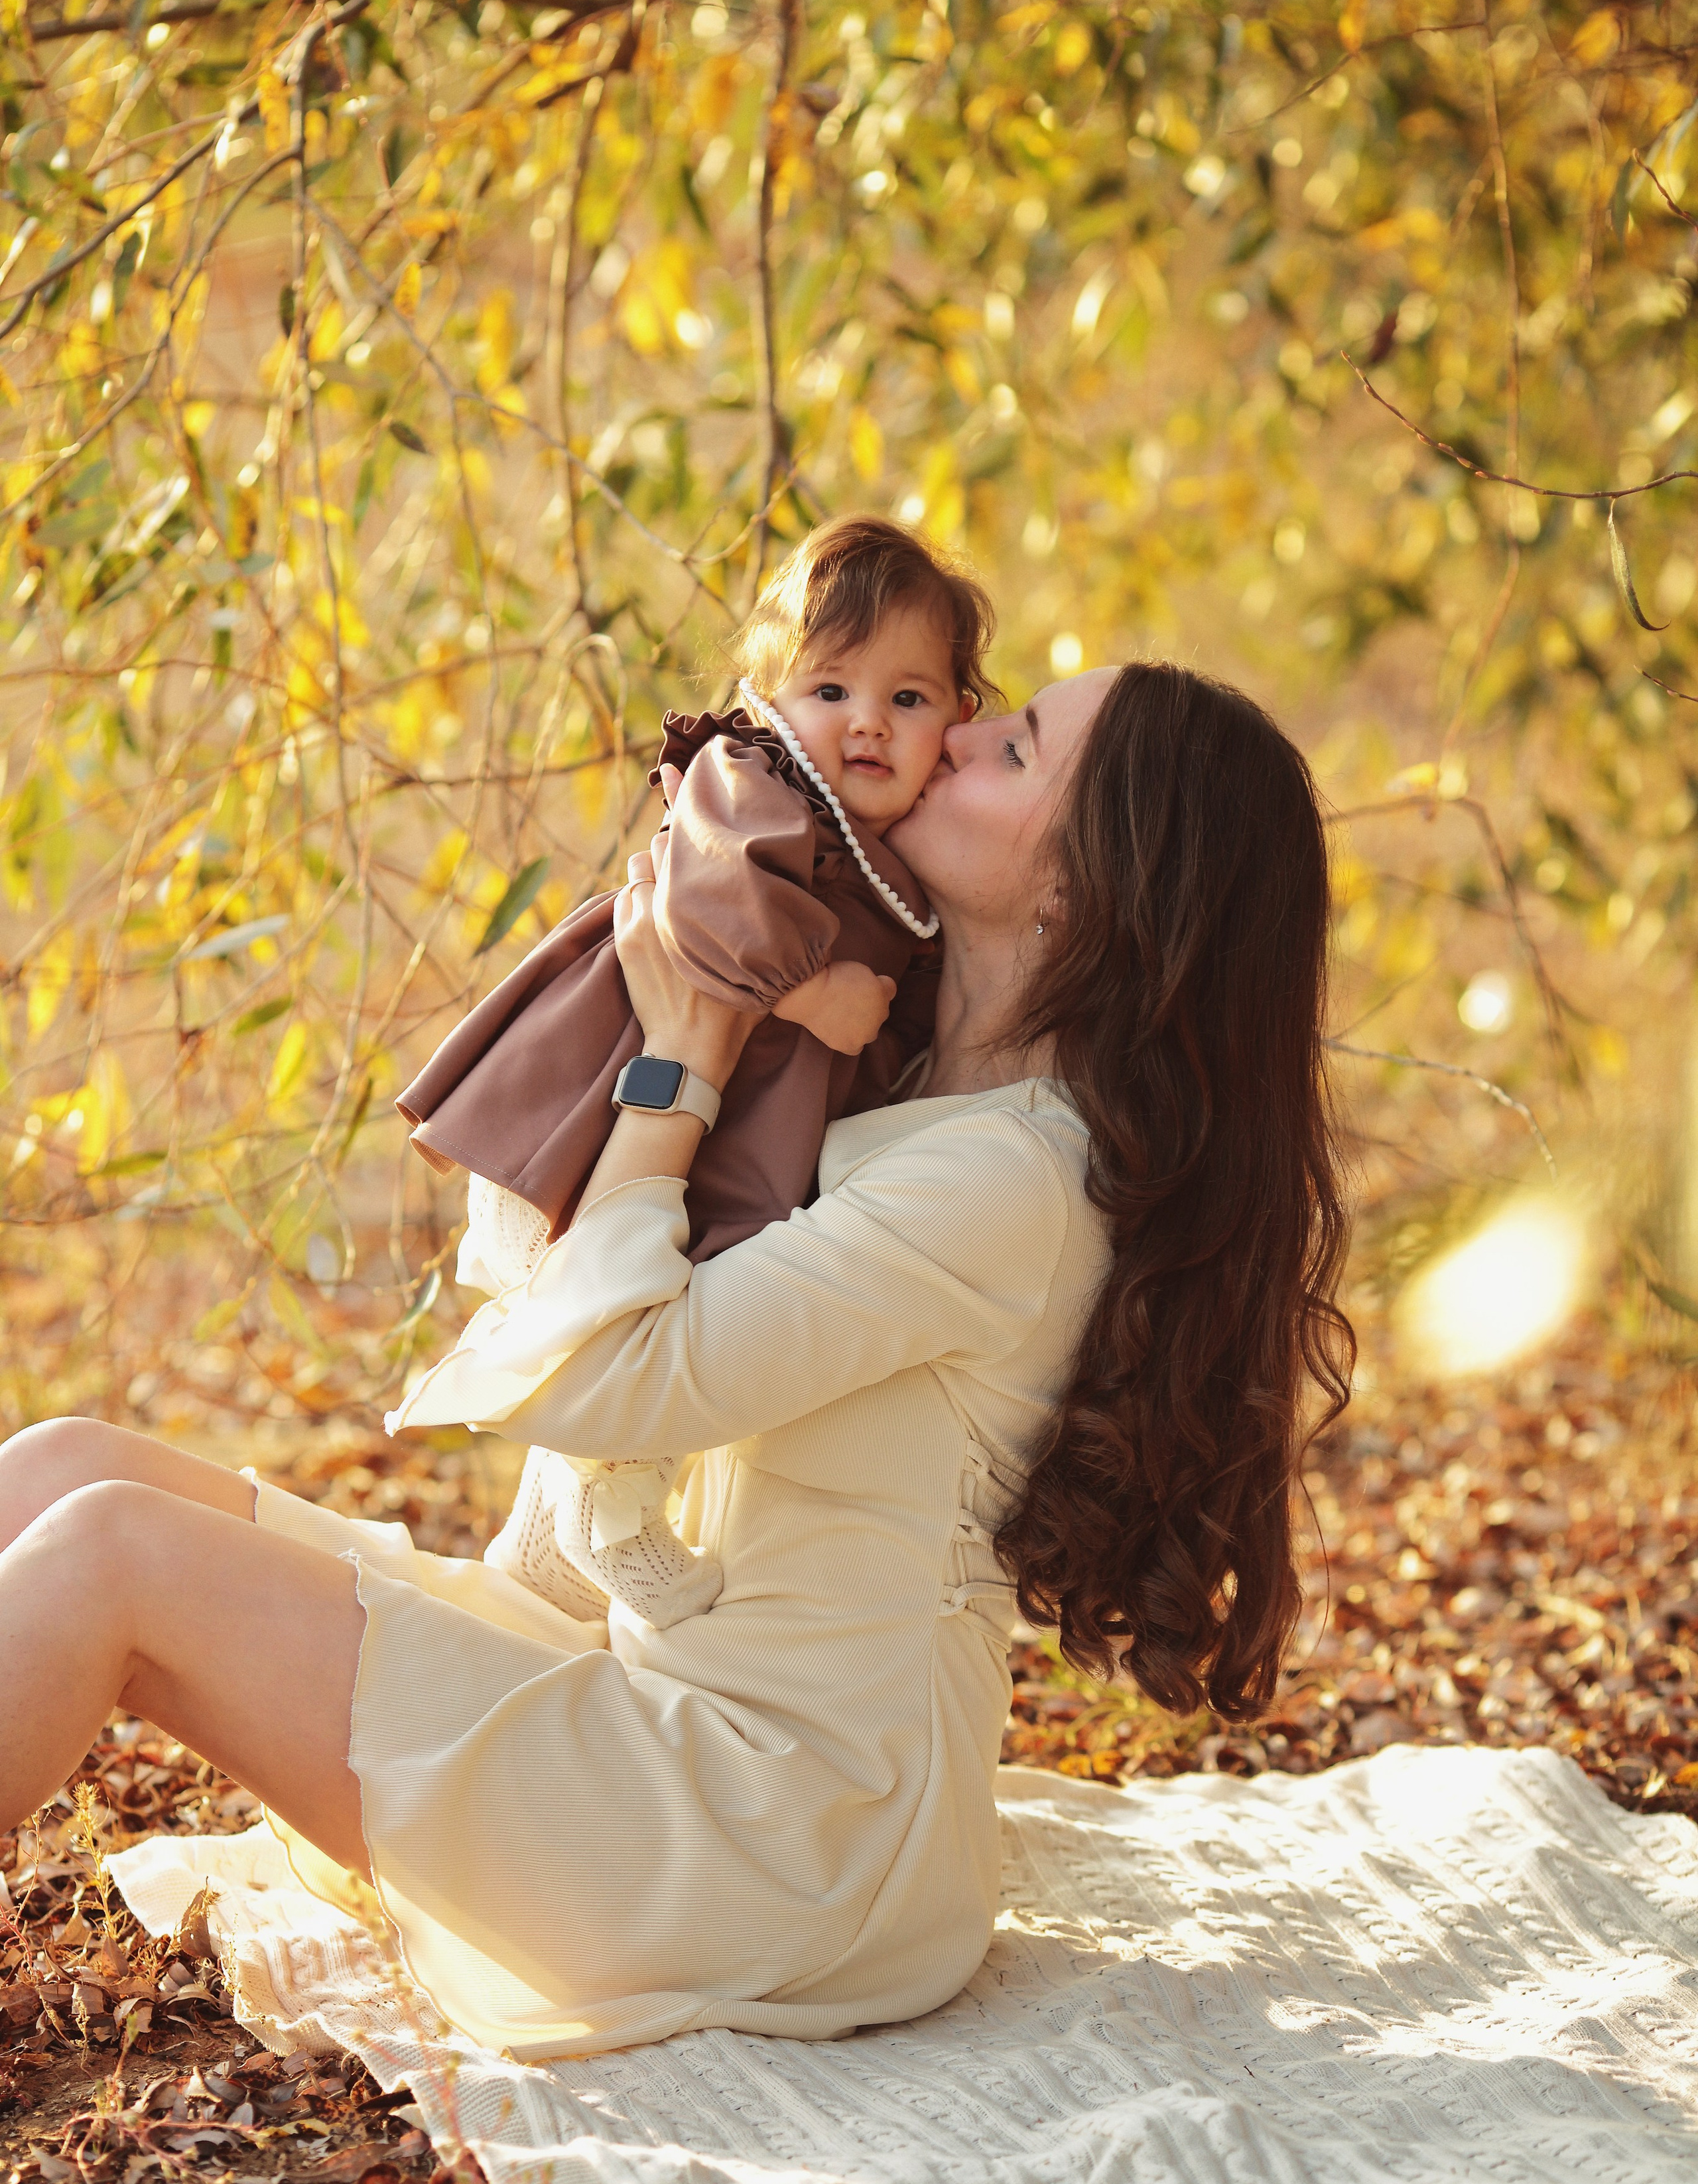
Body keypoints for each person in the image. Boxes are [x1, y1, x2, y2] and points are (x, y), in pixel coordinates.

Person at [0, 661, 1352, 2062]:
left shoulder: (1005, 1178)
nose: (946, 738)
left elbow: (606, 1386)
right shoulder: (887, 1061)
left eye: (1006, 750)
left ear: (1081, 891)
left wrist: (683, 1060)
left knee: (111, 1553)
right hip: (657, 1688)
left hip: (776, 1841)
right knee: (64, 1467)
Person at [395, 514, 992, 1629]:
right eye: (831, 690)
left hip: (727, 1123)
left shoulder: (896, 854)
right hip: (599, 1095)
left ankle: (545, 1538)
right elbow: (705, 902)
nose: (867, 721)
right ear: (770, 691)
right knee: (646, 1307)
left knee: (697, 1296)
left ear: (959, 717)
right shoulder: (749, 776)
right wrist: (815, 990)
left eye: (908, 700)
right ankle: (611, 1513)